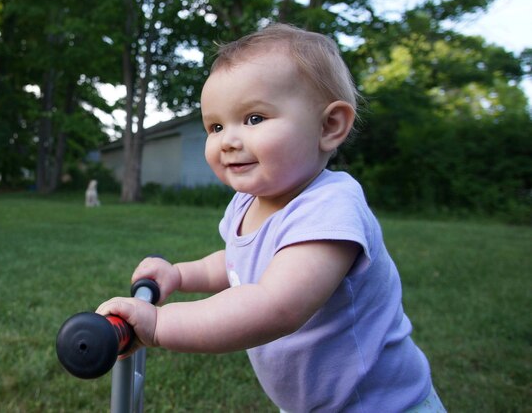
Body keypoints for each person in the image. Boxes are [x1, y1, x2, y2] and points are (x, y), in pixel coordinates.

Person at [97, 23, 446, 412]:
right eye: (215, 126)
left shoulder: (330, 206)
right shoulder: (248, 202)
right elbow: (237, 263)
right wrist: (180, 274)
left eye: (254, 118)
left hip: (380, 404)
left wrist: (160, 325)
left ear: (329, 126)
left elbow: (275, 304)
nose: (228, 139)